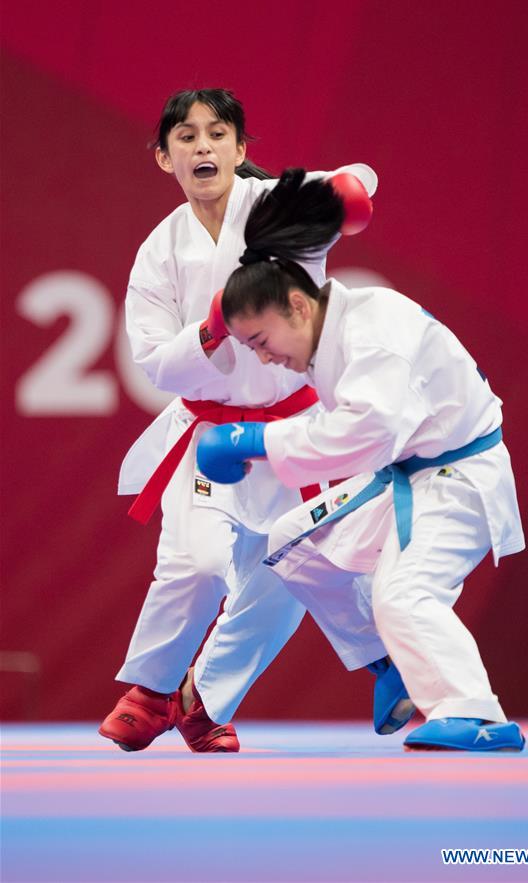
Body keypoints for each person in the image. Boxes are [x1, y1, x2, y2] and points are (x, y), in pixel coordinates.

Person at [99, 89, 409, 753]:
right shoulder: (158, 253)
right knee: (200, 563)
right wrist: (211, 328)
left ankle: (200, 700)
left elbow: (351, 182)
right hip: (209, 433)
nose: (203, 146)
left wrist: (353, 187)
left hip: (293, 432)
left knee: (288, 575)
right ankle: (153, 689)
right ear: (164, 158)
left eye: (218, 134)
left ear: (240, 150)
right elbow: (156, 363)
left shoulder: (277, 205)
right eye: (186, 136)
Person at [195, 168, 527, 752]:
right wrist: (266, 445)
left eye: (263, 343)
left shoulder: (375, 329)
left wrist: (255, 443)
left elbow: (367, 432)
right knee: (290, 540)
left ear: (296, 305)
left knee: (402, 593)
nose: (266, 360)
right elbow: (354, 431)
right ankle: (386, 661)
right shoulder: (331, 333)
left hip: (458, 479)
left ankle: (476, 713)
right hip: (407, 474)